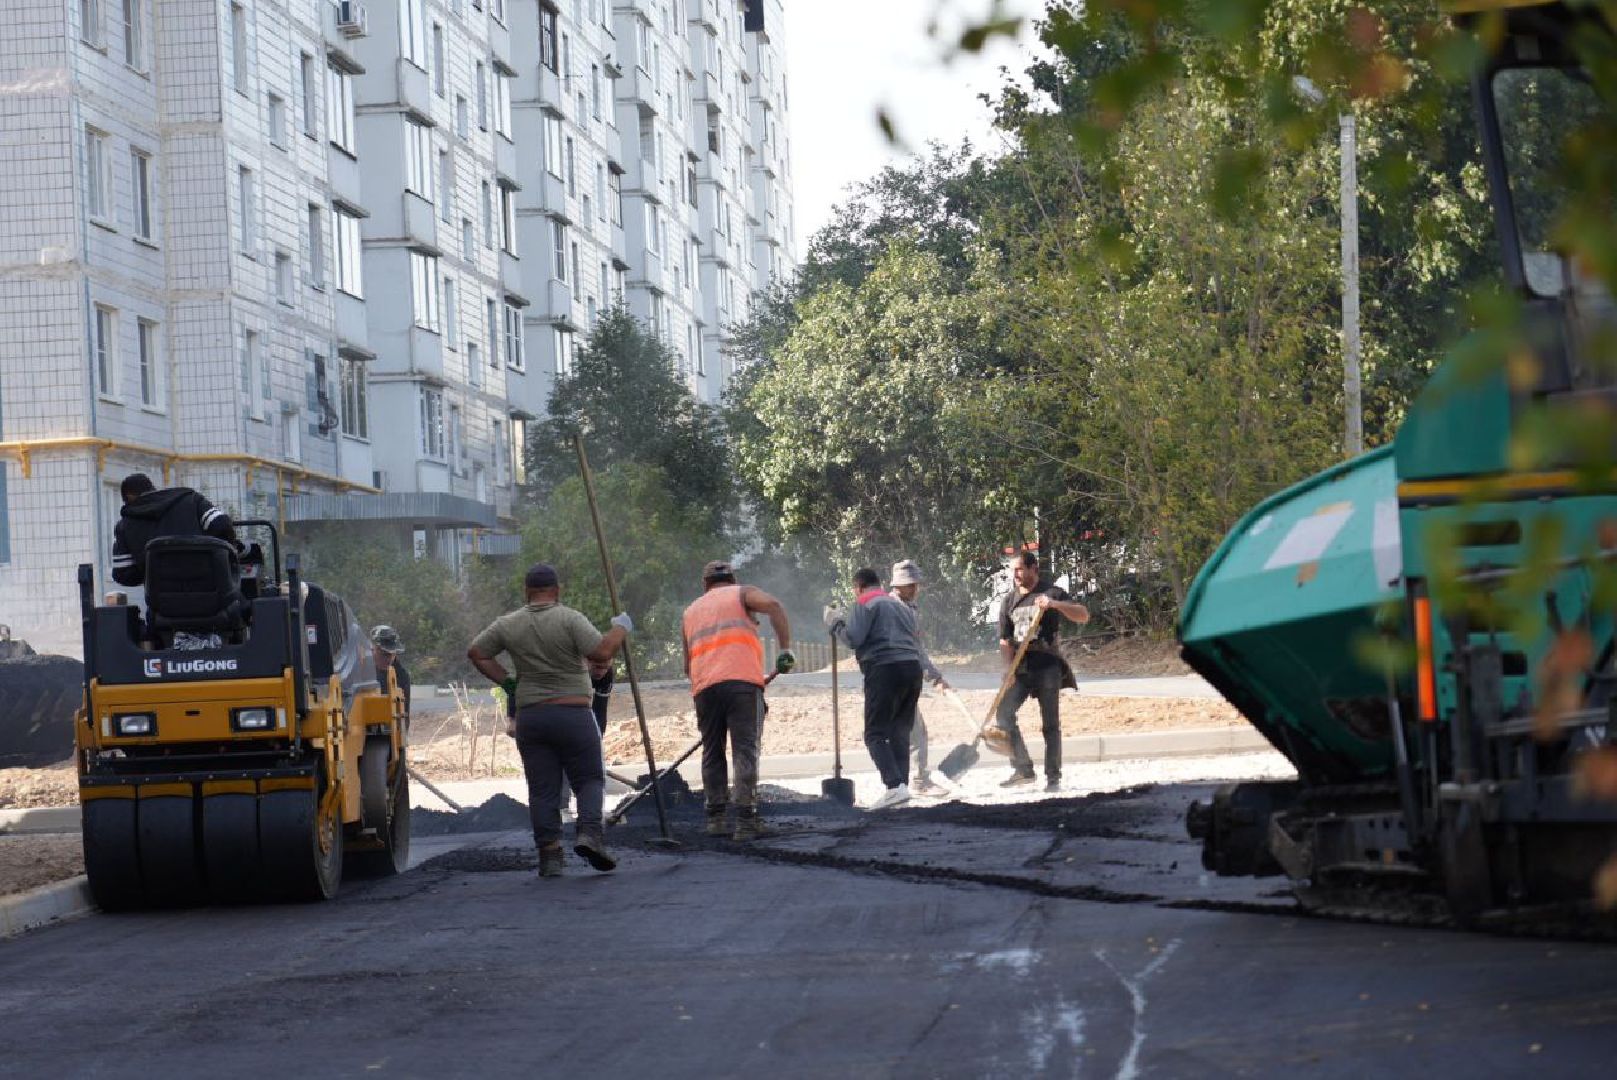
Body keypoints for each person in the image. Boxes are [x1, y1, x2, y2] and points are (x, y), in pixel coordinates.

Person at [467, 562, 632, 878]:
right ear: (556, 591)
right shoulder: (569, 618)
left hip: (532, 718)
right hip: (573, 714)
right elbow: (602, 652)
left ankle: (550, 856)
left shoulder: (508, 624)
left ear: (527, 593)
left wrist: (509, 682)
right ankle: (589, 835)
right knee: (589, 779)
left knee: (542, 790)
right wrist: (621, 627)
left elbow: (476, 653)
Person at [681, 560, 793, 841]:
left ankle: (716, 819)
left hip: (705, 688)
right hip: (742, 686)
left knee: (712, 750)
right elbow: (775, 606)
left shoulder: (691, 611)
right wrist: (785, 649)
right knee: (744, 749)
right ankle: (745, 821)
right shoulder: (742, 593)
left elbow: (687, 666)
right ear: (732, 579)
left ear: (705, 585)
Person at [828, 567, 924, 810]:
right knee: (900, 731)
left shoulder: (866, 602)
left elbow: (853, 639)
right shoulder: (901, 606)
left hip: (884, 670)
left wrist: (836, 623)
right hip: (912, 670)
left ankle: (894, 786)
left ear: (858, 587)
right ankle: (901, 789)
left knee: (875, 734)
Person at [996, 551, 1090, 792]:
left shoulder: (1051, 592)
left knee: (1050, 723)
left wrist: (1055, 605)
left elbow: (1083, 615)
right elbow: (1005, 640)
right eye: (1012, 570)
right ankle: (1023, 769)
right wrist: (1008, 671)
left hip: (1047, 664)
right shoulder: (1009, 601)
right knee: (1004, 714)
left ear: (1033, 568)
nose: (1015, 575)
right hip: (1021, 665)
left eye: (1019, 569)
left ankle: (1053, 776)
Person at [110, 472, 239, 587]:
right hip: (211, 592)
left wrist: (147, 568)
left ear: (128, 497)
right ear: (153, 489)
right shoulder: (191, 499)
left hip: (163, 606)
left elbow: (123, 573)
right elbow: (221, 524)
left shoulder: (124, 525)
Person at [889, 559, 951, 795]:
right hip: (897, 679)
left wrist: (935, 677)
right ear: (898, 585)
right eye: (909, 584)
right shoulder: (898, 609)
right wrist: (934, 677)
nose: (915, 589)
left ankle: (901, 784)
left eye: (916, 584)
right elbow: (915, 649)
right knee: (915, 732)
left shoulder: (904, 606)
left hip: (895, 679)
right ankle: (917, 781)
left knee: (903, 732)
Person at [370, 625, 411, 718]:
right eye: (385, 654)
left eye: (393, 654)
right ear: (373, 649)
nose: (389, 659)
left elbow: (404, 714)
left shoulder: (401, 676)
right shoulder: (359, 671)